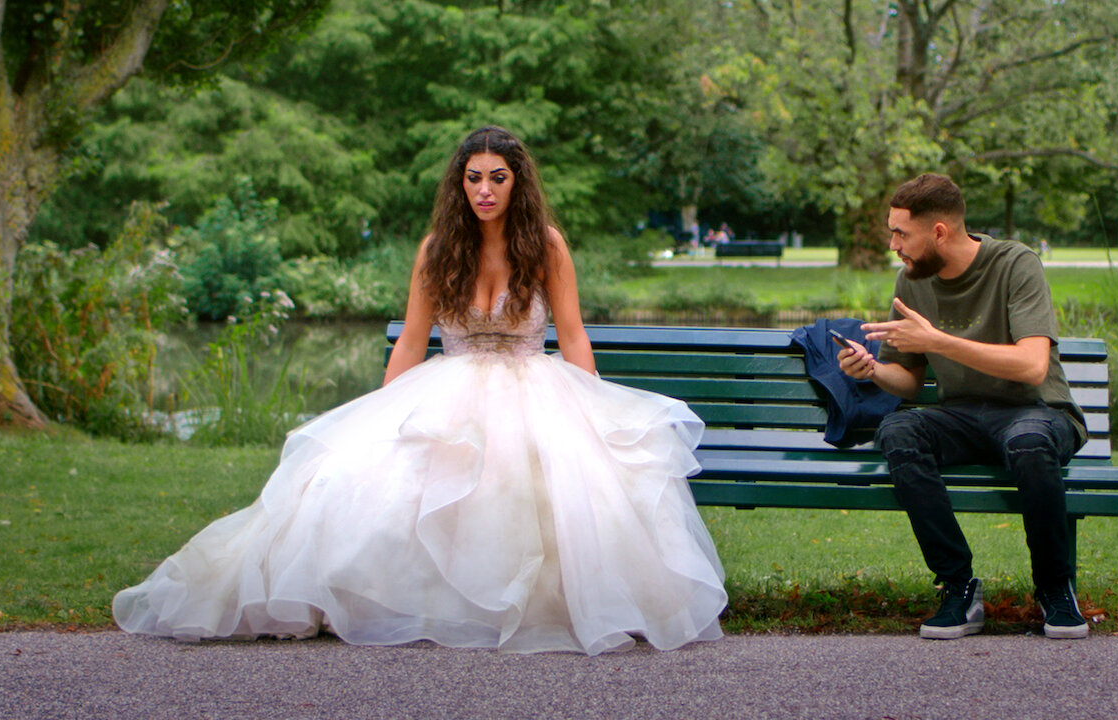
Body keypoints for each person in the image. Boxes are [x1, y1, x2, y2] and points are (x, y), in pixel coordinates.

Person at [113, 126, 728, 654]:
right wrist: (378, 417)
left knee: (545, 485)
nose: (484, 190)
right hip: (449, 388)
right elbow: (411, 342)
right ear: (459, 184)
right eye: (473, 178)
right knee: (373, 484)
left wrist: (594, 413)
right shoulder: (440, 249)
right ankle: (398, 597)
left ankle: (538, 604)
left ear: (518, 182)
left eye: (497, 177)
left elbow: (572, 337)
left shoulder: (545, 244)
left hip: (533, 385)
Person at [836, 173, 1088, 640]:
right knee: (898, 432)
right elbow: (908, 381)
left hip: (1036, 411)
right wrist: (871, 370)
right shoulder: (912, 280)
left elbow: (1033, 367)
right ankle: (958, 585)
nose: (893, 244)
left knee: (1030, 442)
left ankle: (1054, 589)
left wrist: (938, 341)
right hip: (963, 416)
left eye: (901, 233)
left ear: (938, 232)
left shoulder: (1016, 263)